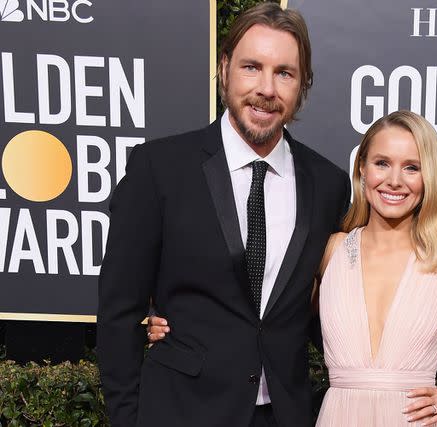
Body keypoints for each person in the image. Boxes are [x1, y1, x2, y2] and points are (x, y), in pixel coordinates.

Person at [149, 111, 437, 426]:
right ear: (362, 171)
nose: (394, 180)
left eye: (411, 167)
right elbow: (259, 312)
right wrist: (177, 320)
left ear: (430, 177)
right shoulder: (330, 250)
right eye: (382, 163)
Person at [97, 3, 350, 427]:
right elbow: (119, 312)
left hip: (286, 415)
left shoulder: (329, 184)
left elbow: (327, 307)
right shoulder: (160, 168)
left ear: (302, 84)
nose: (267, 88)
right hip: (179, 411)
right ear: (224, 68)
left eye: (284, 73)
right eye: (252, 67)